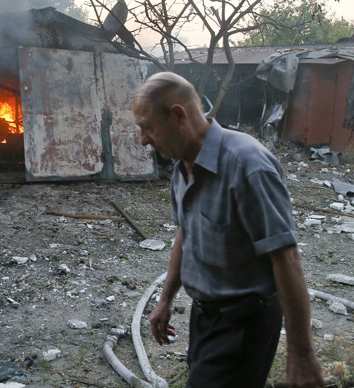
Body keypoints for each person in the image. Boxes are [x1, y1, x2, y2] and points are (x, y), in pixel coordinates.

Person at [133, 72, 324, 388]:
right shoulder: (183, 168)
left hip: (244, 324)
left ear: (178, 115)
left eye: (147, 127)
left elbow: (286, 259)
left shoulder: (248, 165)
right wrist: (166, 298)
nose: (143, 139)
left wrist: (301, 356)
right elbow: (187, 232)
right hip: (206, 316)